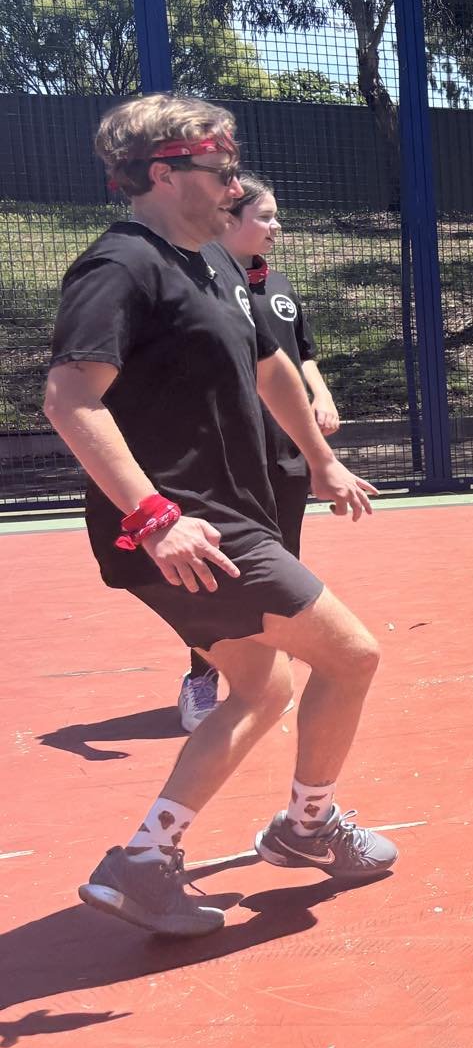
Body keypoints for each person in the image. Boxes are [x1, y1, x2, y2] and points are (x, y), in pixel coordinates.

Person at [44, 94, 397, 937]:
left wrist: (320, 459)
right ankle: (307, 830)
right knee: (351, 657)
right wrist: (157, 516)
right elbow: (68, 398)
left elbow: (273, 370)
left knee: (262, 684)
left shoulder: (216, 263)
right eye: (220, 171)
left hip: (227, 515)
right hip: (182, 524)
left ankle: (144, 860)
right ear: (164, 174)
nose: (234, 187)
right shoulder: (121, 266)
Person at [176, 174, 342, 730]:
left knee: (281, 557)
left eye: (276, 216)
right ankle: (200, 678)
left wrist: (319, 396)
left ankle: (261, 676)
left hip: (285, 450)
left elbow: (299, 356)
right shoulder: (203, 287)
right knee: (221, 571)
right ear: (230, 217)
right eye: (265, 217)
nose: (276, 227)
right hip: (229, 452)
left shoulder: (281, 285)